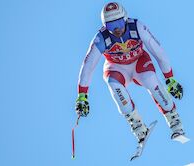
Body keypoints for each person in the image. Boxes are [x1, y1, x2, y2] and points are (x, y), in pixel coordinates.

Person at [75, 2, 187, 145]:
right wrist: (82, 96)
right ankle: (138, 127)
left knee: (151, 80)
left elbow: (158, 51)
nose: (117, 29)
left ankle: (175, 121)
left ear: (125, 18)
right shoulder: (101, 37)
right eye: (111, 26)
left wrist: (170, 79)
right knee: (113, 85)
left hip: (138, 62)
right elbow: (88, 65)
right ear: (105, 26)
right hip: (117, 67)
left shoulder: (137, 27)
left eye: (119, 23)